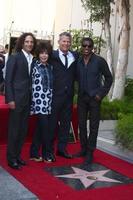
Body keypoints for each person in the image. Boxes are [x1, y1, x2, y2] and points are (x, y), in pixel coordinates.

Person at [75, 37, 113, 164]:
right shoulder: (78, 61)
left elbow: (109, 78)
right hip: (82, 98)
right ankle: (84, 149)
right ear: (81, 46)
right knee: (81, 125)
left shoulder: (99, 61)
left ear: (93, 48)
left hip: (95, 99)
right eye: (84, 46)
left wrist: (101, 94)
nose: (86, 48)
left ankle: (90, 152)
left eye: (89, 46)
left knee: (93, 126)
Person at [5, 32, 36, 169]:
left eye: (31, 42)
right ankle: (11, 159)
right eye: (27, 42)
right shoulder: (15, 57)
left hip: (27, 100)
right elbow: (8, 80)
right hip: (16, 100)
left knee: (23, 130)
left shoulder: (32, 59)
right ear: (22, 43)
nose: (29, 44)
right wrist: (10, 99)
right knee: (14, 130)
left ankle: (17, 156)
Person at [49, 32, 78, 159]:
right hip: (55, 96)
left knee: (66, 124)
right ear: (59, 42)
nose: (66, 43)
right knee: (52, 124)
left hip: (68, 96)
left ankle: (62, 149)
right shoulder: (52, 55)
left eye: (68, 41)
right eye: (63, 41)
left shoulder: (75, 56)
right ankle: (49, 150)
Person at [30, 41, 55, 162]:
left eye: (46, 53)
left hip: (47, 103)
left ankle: (34, 153)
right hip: (38, 103)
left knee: (40, 128)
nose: (44, 55)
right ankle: (47, 154)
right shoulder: (34, 66)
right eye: (41, 53)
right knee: (46, 129)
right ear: (38, 54)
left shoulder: (50, 67)